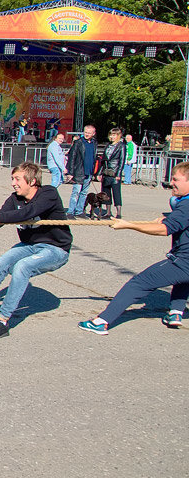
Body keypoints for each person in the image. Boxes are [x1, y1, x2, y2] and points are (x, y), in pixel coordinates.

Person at [0, 162, 71, 340]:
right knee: (1, 263)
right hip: (29, 246)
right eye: (12, 179)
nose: (13, 183)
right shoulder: (15, 198)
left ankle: (2, 320)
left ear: (32, 181)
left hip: (55, 248)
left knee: (22, 267)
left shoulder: (48, 193)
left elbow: (27, 213)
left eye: (17, 179)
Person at [79, 161, 189, 334]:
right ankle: (176, 312)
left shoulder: (185, 206)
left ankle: (101, 322)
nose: (171, 183)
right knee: (182, 279)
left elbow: (164, 230)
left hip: (183, 262)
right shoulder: (183, 206)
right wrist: (167, 216)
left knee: (140, 282)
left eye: (176, 180)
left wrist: (129, 225)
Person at [65, 124, 97, 218]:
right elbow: (72, 157)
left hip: (89, 172)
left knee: (83, 193)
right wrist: (70, 172)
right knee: (76, 192)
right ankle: (71, 212)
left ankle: (79, 211)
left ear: (93, 133)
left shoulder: (94, 143)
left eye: (89, 133)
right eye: (85, 132)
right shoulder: (78, 142)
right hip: (79, 171)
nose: (86, 134)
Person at [101, 127, 125, 219]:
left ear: (118, 136)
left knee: (116, 193)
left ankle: (118, 213)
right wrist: (100, 173)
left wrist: (118, 174)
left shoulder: (121, 146)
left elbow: (122, 161)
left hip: (115, 172)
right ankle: (108, 212)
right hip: (106, 172)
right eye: (111, 134)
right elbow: (104, 160)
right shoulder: (108, 145)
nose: (112, 136)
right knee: (106, 193)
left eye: (114, 135)